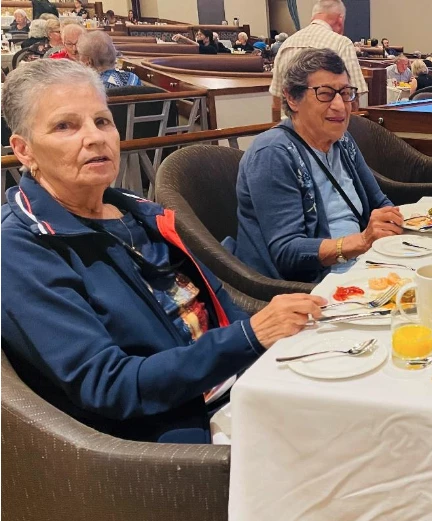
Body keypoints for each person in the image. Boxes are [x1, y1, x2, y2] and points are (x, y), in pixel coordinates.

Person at [1, 59, 326, 444]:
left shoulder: (136, 211)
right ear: (24, 150)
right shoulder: (22, 248)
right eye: (65, 126)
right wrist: (250, 337)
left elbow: (219, 307)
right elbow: (110, 385)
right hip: (176, 435)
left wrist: (269, 345)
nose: (95, 137)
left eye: (102, 121)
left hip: (241, 387)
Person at [231, 49, 401, 283]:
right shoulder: (272, 153)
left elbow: (379, 202)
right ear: (292, 98)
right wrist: (362, 241)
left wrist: (391, 225)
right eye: (325, 94)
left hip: (363, 265)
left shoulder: (342, 141)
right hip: (309, 286)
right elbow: (288, 252)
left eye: (345, 93)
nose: (340, 106)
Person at [271, 0, 368, 111]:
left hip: (291, 120)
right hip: (329, 119)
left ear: (313, 17)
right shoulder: (341, 43)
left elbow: (276, 102)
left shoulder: (286, 44)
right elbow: (352, 99)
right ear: (340, 20)